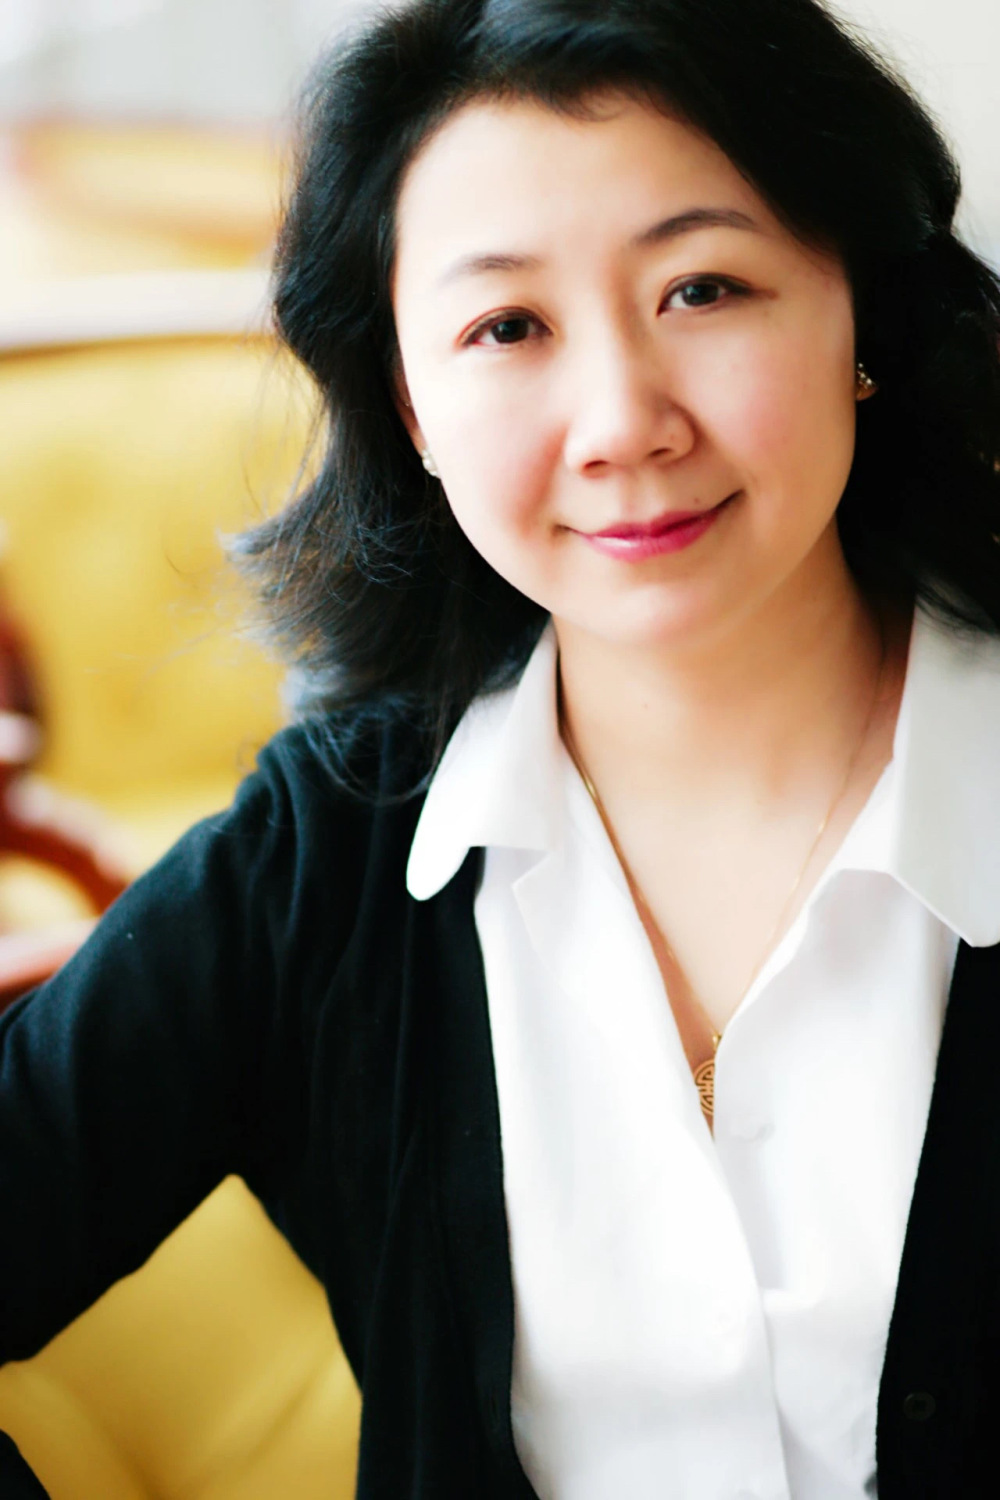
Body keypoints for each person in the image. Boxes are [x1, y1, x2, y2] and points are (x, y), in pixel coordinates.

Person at [3, 0, 1000, 1495]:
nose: (621, 424)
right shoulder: (329, 855)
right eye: (508, 327)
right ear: (410, 403)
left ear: (860, 306)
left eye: (703, 288)